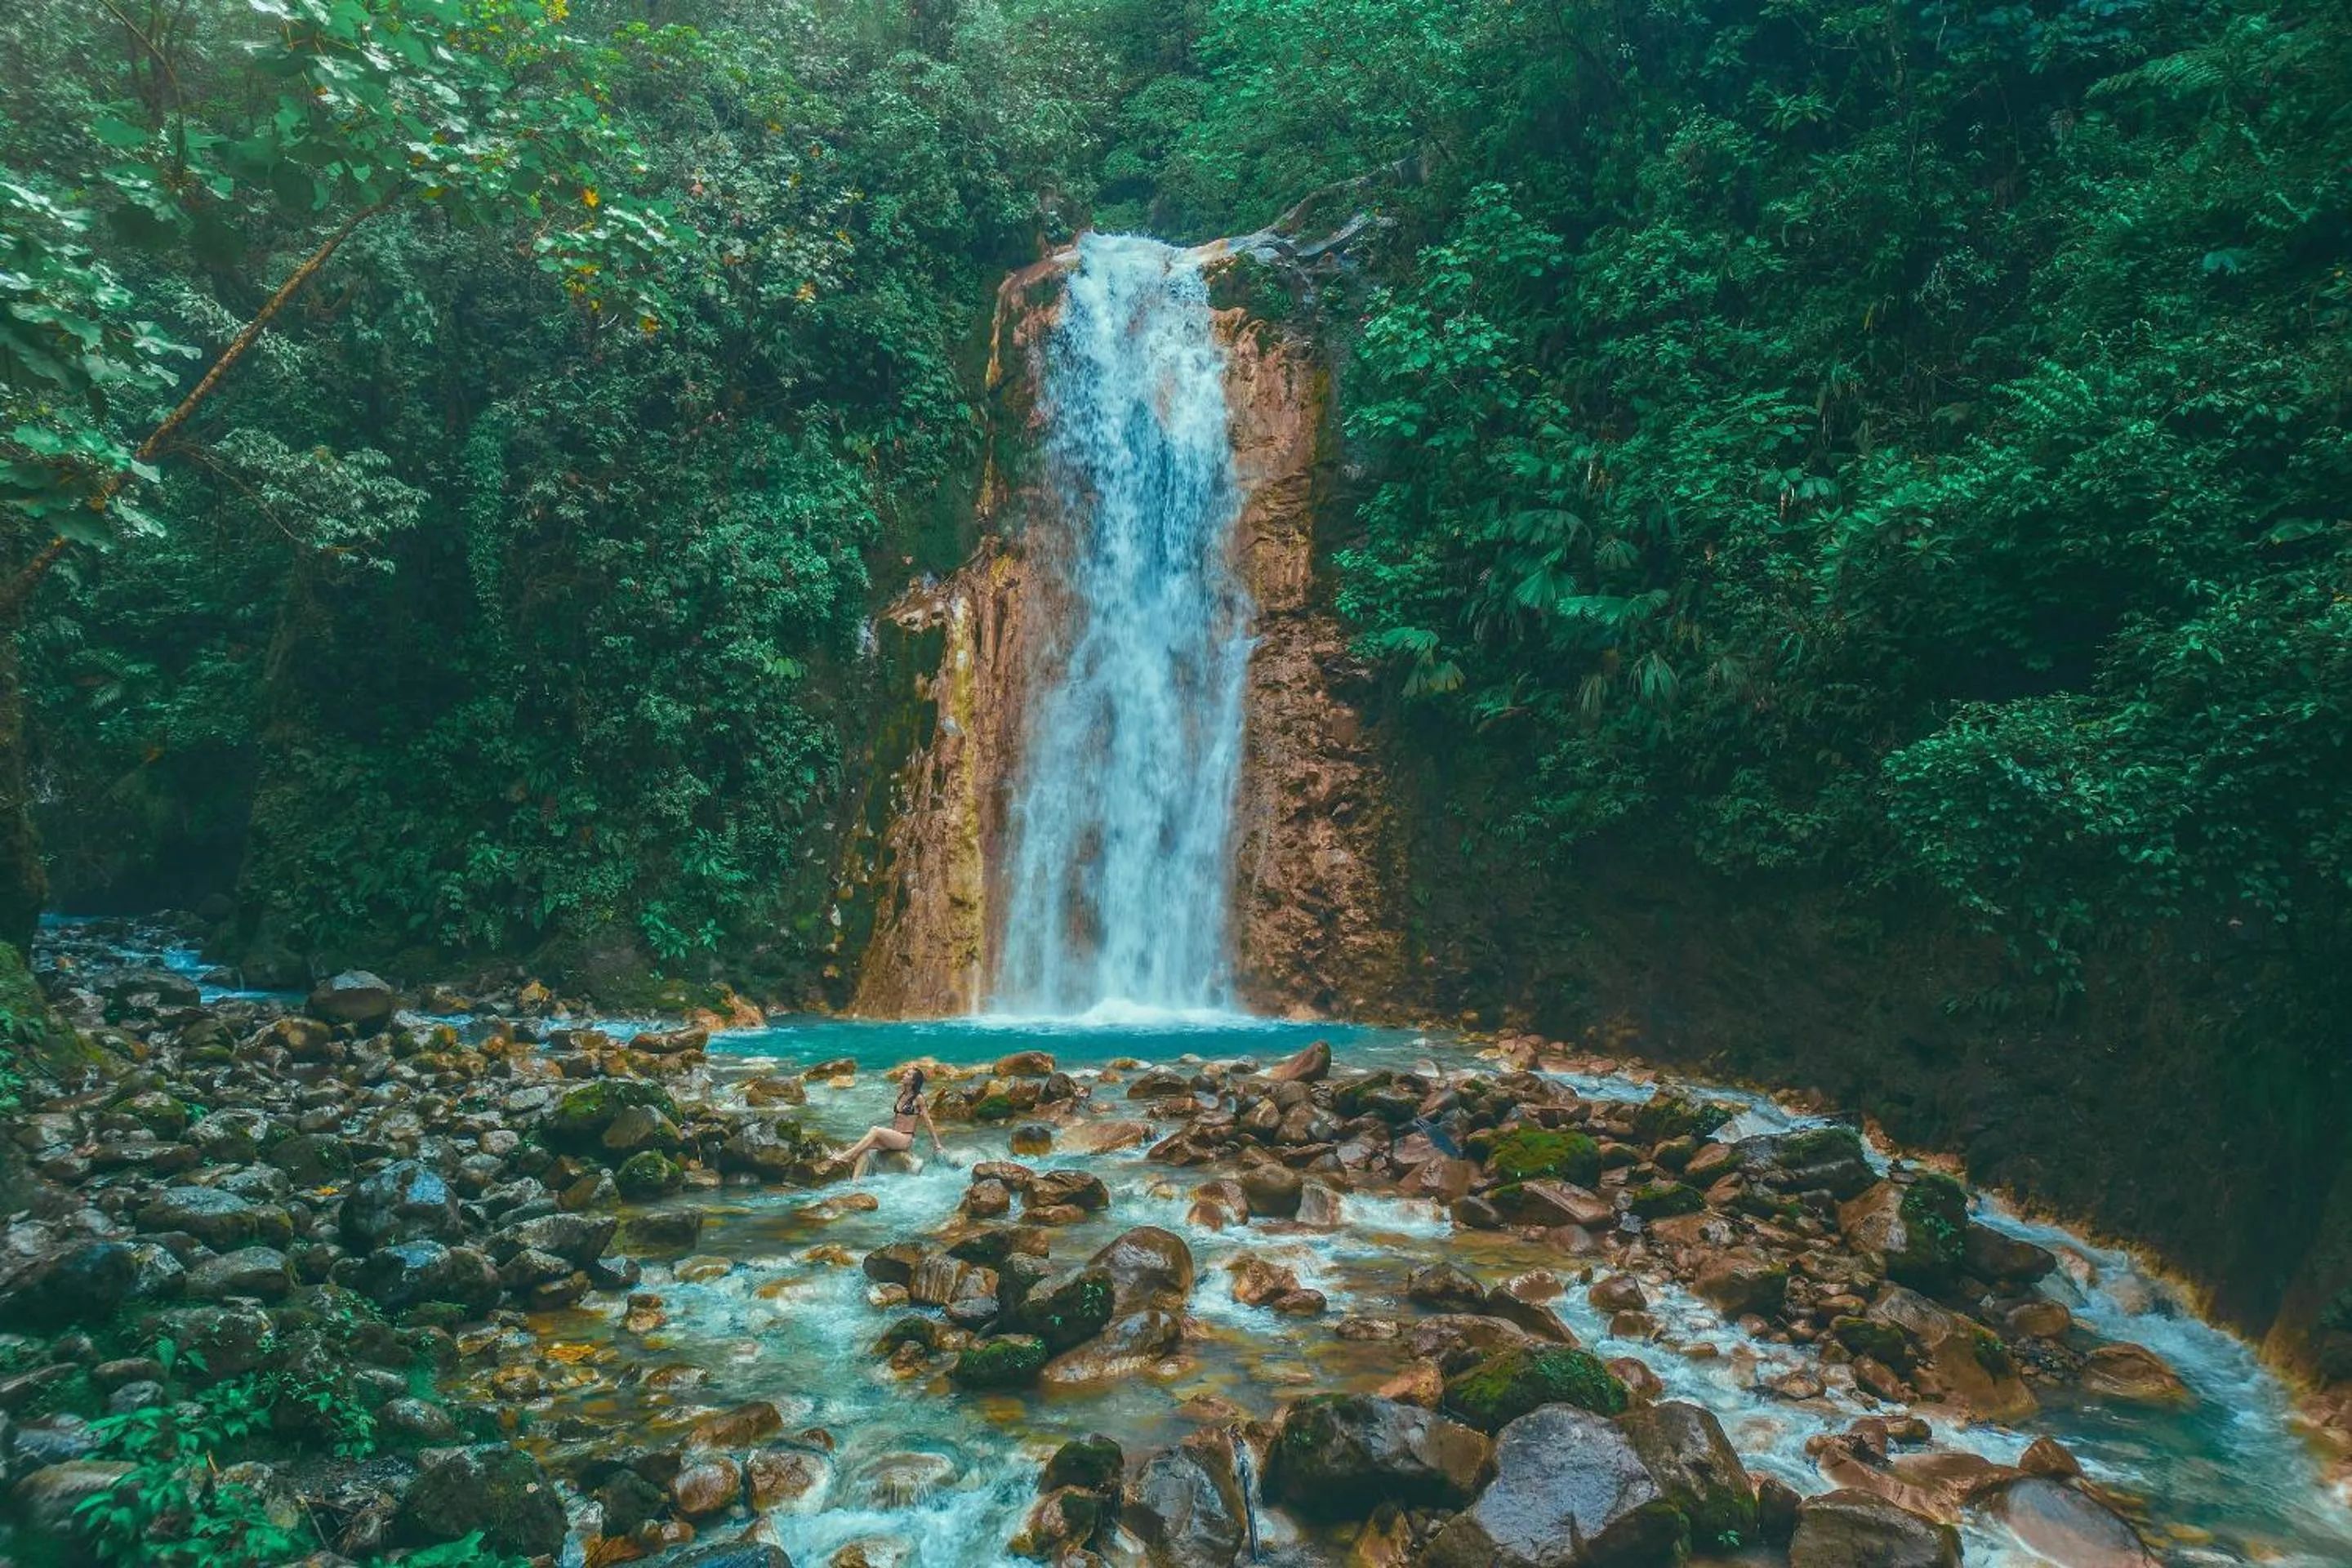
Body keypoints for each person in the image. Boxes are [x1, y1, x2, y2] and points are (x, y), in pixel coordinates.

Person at [831, 1065, 948, 1177]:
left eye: (908, 1074)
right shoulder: (901, 1094)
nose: (904, 1075)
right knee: (863, 1148)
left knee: (875, 1130)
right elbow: (896, 1119)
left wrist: (937, 1143)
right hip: (894, 1137)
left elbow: (928, 1121)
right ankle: (854, 1184)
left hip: (904, 1139)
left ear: (913, 1081)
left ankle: (847, 1156)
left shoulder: (918, 1098)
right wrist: (887, 1137)